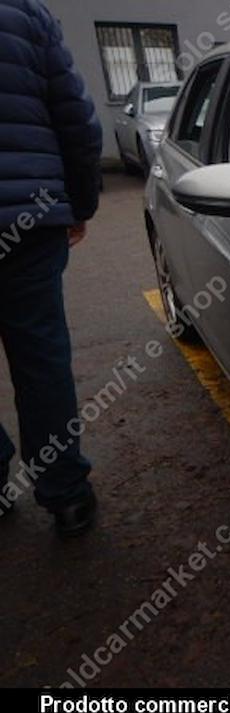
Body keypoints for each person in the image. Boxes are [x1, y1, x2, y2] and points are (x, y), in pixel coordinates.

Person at [0, 0, 103, 536]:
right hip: (27, 225)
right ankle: (66, 496)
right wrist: (79, 205)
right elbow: (77, 120)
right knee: (41, 363)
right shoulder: (24, 14)